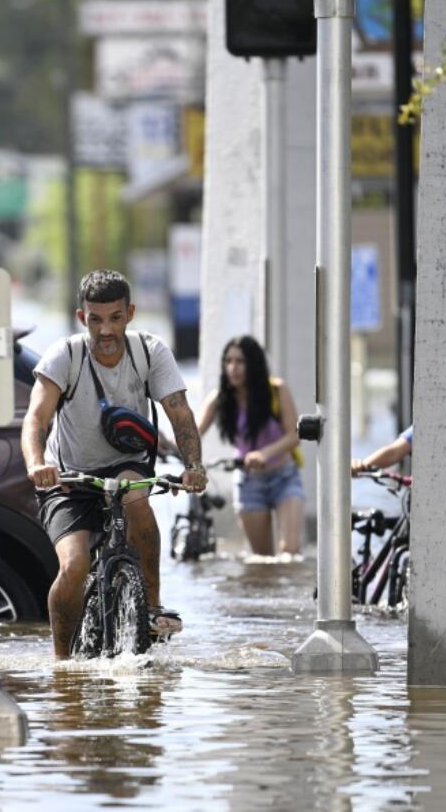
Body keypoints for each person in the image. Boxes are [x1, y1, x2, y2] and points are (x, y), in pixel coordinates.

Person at [22, 270, 207, 659]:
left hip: (126, 463)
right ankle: (62, 664)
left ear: (131, 314)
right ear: (81, 317)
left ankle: (152, 607)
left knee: (137, 499)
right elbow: (36, 418)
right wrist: (38, 464)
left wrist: (194, 465)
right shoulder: (66, 355)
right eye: (95, 319)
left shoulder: (150, 352)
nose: (106, 329)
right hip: (69, 476)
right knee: (74, 565)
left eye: (115, 318)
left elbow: (180, 413)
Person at [195, 335, 306, 557]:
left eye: (240, 361)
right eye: (228, 361)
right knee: (262, 561)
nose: (233, 368)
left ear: (253, 364)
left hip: (284, 477)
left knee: (290, 551)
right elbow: (192, 434)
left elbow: (295, 435)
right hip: (248, 483)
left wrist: (264, 453)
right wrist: (163, 444)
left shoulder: (276, 390)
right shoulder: (220, 399)